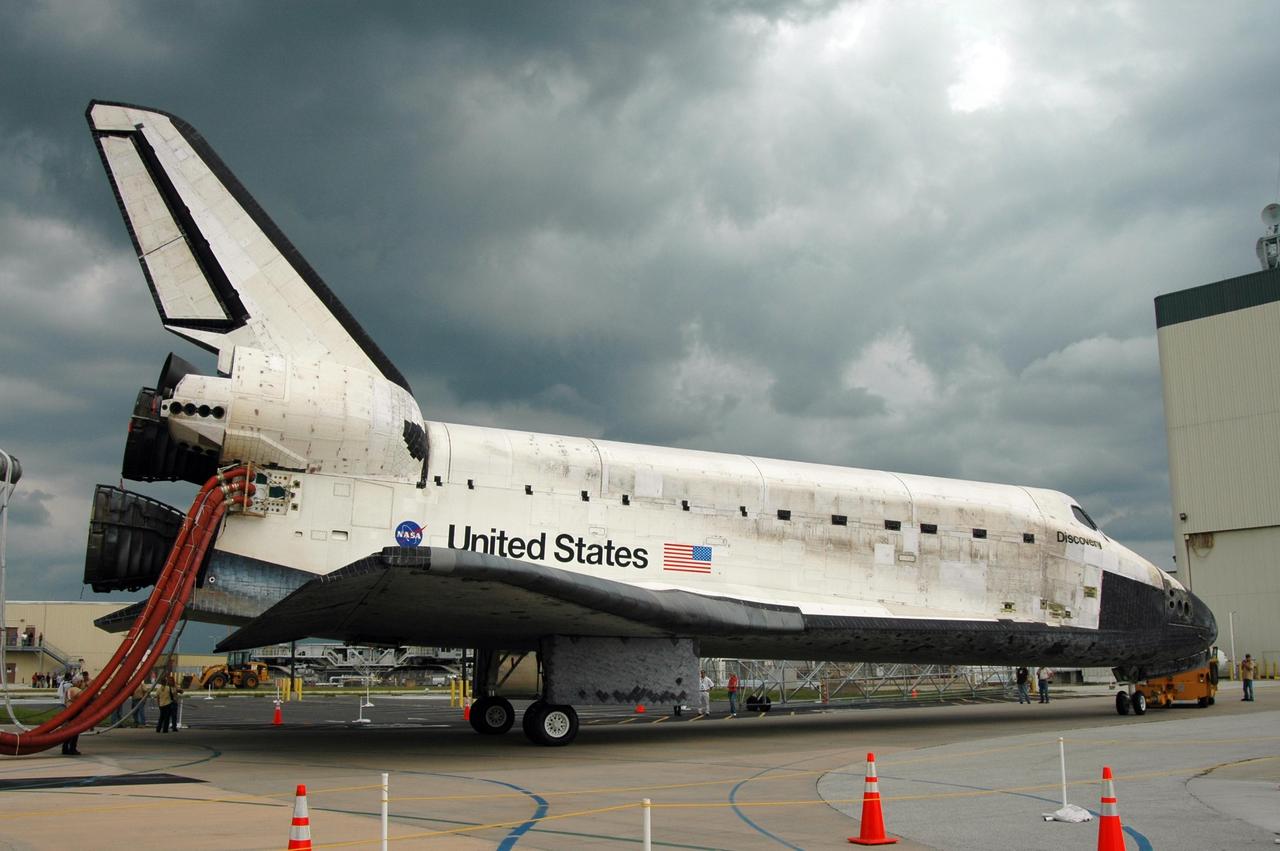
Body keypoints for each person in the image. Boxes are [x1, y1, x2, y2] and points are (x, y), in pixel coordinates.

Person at [59, 674, 82, 756]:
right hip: (75, 711)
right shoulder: (77, 690)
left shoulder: (69, 689)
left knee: (68, 729)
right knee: (75, 730)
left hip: (68, 710)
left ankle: (65, 747)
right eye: (80, 682)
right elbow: (83, 700)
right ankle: (72, 748)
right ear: (79, 682)